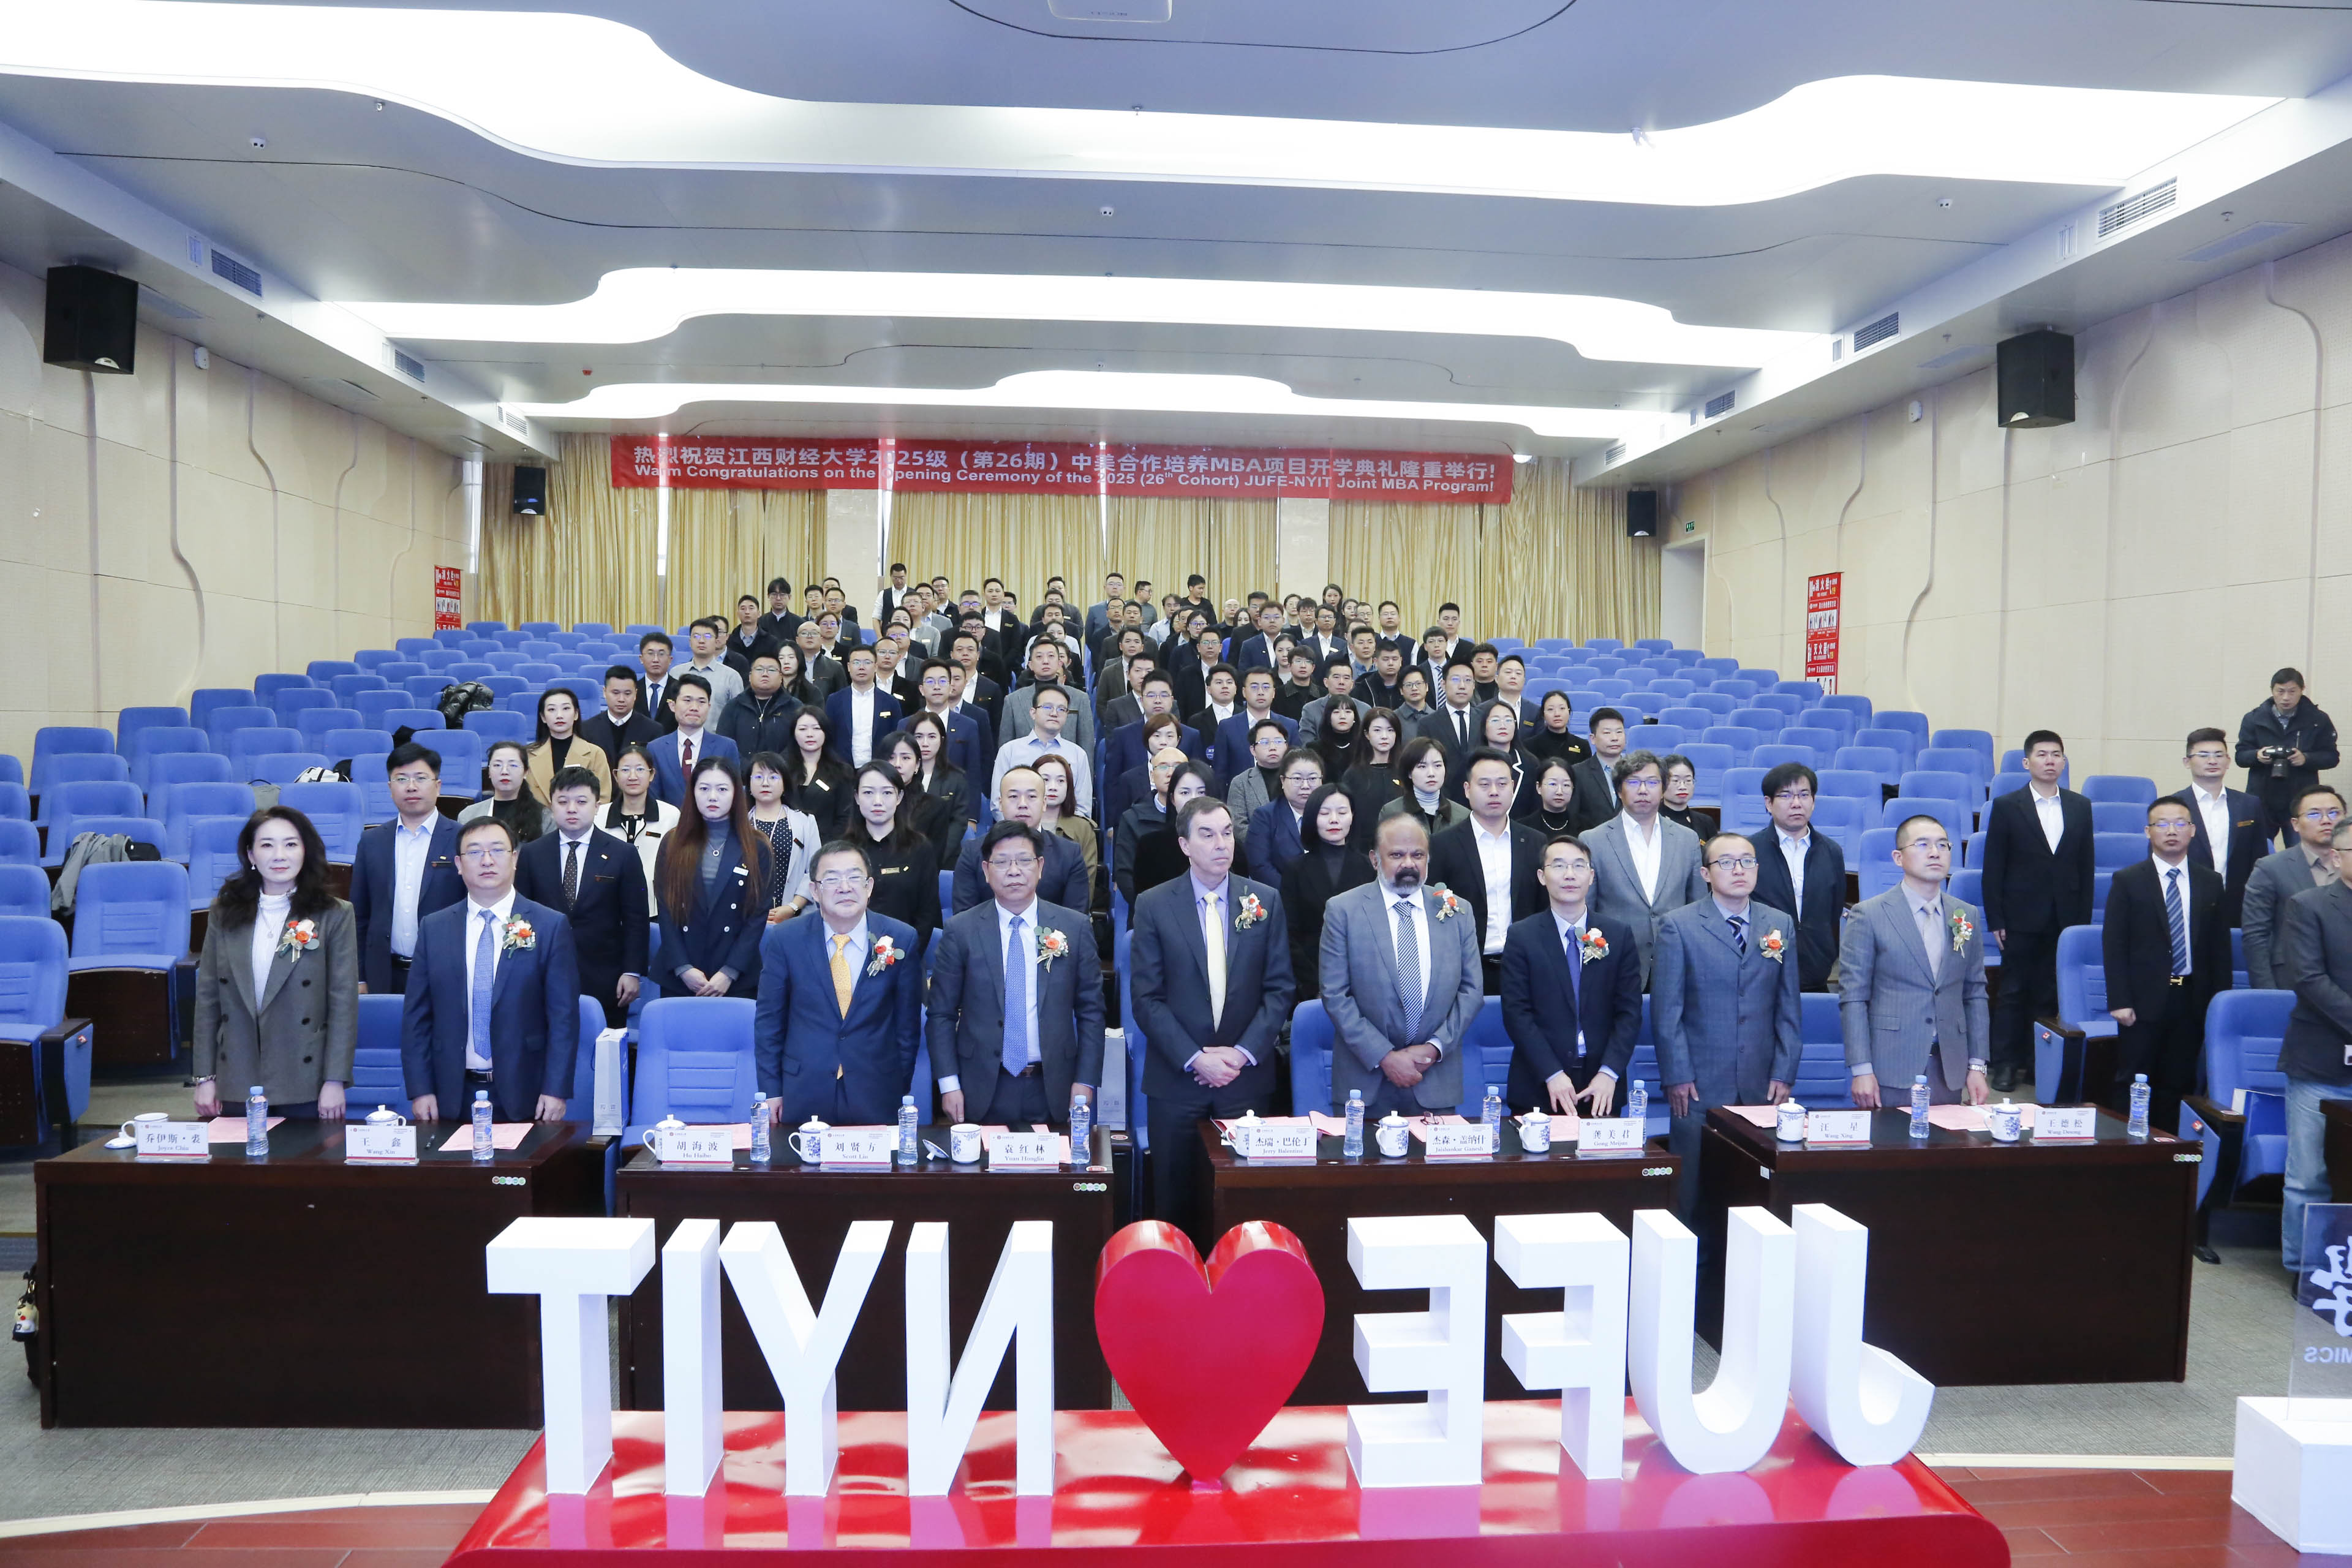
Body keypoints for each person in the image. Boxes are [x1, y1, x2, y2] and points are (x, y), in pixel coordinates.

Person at [1131, 796, 1296, 1243]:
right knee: (1175, 1205)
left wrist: (1240, 1054)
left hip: (1244, 1080)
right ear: (1185, 844)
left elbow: (1280, 989)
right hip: (1176, 1080)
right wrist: (1195, 1058)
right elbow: (1146, 999)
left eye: (1227, 833)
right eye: (1207, 835)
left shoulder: (1264, 900)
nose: (1222, 844)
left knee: (1242, 1208)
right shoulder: (1154, 905)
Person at [1653, 832, 1800, 1219]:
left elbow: (1788, 1006)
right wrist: (1678, 1075)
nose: (1739, 870)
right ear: (1706, 873)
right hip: (1698, 1084)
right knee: (1691, 1194)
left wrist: (1784, 1071)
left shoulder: (1779, 923)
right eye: (1726, 862)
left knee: (1754, 1191)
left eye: (1747, 861)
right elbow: (1667, 1012)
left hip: (1761, 1082)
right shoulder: (1678, 926)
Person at [398, 816, 580, 1123]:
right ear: (458, 864)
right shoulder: (434, 927)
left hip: (528, 1091)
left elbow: (564, 1018)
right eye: (474, 852)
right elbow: (416, 1017)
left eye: (497, 850)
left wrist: (556, 1089)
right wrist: (420, 1089)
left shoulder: (550, 926)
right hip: (449, 1093)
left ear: (515, 859)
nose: (487, 861)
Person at [926, 821, 1105, 1129]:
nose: (1013, 871)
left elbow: (1091, 1011)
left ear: (1040, 867)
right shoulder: (961, 930)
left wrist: (1086, 1080)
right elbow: (941, 1013)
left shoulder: (1073, 928)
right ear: (986, 871)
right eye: (1002, 862)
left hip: (1054, 1086)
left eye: (1024, 860)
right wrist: (949, 1084)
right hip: (981, 1087)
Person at [191, 805, 358, 1120]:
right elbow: (208, 999)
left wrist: (335, 1080)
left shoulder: (334, 914)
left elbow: (343, 1004)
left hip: (306, 1078)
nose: (279, 855)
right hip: (237, 1075)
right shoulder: (224, 913)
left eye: (291, 844)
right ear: (251, 855)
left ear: (305, 851)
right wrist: (204, 1077)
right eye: (267, 845)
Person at [1318, 813, 1484, 1115]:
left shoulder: (1458, 911)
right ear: (1375, 859)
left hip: (1435, 1079)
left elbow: (1471, 991)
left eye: (1417, 855)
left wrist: (1434, 1048)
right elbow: (1335, 995)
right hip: (1364, 1083)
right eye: (1396, 855)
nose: (1409, 864)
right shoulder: (1343, 910)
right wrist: (1385, 1057)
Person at [750, 839, 922, 1128]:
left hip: (877, 1089)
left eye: (854, 877)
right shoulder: (785, 940)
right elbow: (769, 1023)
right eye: (832, 879)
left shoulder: (901, 937)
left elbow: (907, 1028)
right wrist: (771, 1091)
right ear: (815, 891)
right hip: (803, 1088)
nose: (845, 887)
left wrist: (896, 1085)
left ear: (869, 886)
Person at [1839, 815, 1990, 1109]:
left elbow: (1975, 994)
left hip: (1949, 1067)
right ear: (1899, 858)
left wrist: (1977, 1065)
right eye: (1923, 845)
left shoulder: (1966, 915)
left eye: (1943, 845)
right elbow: (1854, 997)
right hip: (1890, 1064)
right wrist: (1861, 1069)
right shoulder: (1869, 914)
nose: (1935, 853)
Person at [2102, 798, 2229, 1131]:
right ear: (2148, 832)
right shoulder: (2128, 880)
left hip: (2192, 998)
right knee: (2133, 1079)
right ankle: (2127, 1148)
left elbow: (2219, 949)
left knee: (2179, 1081)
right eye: (2162, 824)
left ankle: (2168, 1147)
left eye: (2180, 823)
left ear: (2193, 830)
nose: (2172, 831)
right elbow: (2114, 945)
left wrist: (2217, 1003)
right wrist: (2120, 1000)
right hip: (2142, 1001)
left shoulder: (2210, 881)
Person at [1981, 729, 2095, 1093]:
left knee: (2049, 994)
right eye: (2042, 754)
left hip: (2065, 917)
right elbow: (1994, 867)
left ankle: (2035, 1063)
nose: (2050, 761)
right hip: (2019, 916)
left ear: (2064, 761)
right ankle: (2004, 1064)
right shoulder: (2007, 805)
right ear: (2027, 762)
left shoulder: (2080, 806)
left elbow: (2086, 868)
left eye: (2056, 755)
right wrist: (1996, 918)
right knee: (2013, 992)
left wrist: (2080, 925)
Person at [1500, 832, 1643, 1117]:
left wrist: (1609, 1073)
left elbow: (1629, 1013)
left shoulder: (1619, 935)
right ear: (1542, 877)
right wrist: (1552, 1074)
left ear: (1591, 877)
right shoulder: (1522, 936)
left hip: (1601, 1088)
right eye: (1558, 866)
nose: (1569, 874)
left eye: (1579, 866)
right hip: (1539, 1084)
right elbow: (1517, 1014)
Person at [515, 766, 648, 1028]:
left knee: (602, 1047)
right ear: (551, 805)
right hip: (543, 973)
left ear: (597, 806)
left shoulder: (623, 854)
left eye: (581, 802)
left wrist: (632, 972)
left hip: (606, 977)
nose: (572, 809)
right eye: (563, 802)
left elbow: (636, 919)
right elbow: (521, 916)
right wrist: (522, 966)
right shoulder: (532, 854)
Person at [2278, 818, 2352, 1272]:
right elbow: (2308, 979)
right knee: (2309, 1174)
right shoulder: (2309, 905)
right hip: (2321, 1060)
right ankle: (2304, 1269)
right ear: (2337, 857)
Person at [1582, 750, 1707, 983]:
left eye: (1652, 782)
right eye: (1633, 782)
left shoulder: (1687, 839)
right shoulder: (1593, 840)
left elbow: (1698, 905)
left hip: (1676, 961)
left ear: (1663, 789)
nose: (1643, 790)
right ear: (1619, 791)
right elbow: (1587, 908)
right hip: (1615, 962)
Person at [349, 741, 462, 995]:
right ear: (390, 788)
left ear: (438, 786)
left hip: (445, 975)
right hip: (383, 975)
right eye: (401, 779)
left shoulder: (461, 839)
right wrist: (359, 976)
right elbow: (359, 916)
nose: (411, 786)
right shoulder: (371, 841)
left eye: (421, 778)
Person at [653, 756, 772, 1000]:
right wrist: (683, 968)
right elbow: (665, 909)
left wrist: (730, 972)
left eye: (722, 789)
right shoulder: (673, 842)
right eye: (704, 789)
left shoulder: (757, 845)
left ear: (737, 794)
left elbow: (758, 915)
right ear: (693, 793)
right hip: (681, 974)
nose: (713, 797)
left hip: (736, 976)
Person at [1428, 747, 1545, 993]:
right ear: (1467, 790)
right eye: (1484, 784)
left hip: (1525, 967)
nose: (1494, 791)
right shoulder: (1442, 845)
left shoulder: (1535, 842)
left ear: (1513, 787)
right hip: (1466, 969)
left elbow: (1543, 908)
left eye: (1502, 784)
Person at [1749, 762, 1847, 992]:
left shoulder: (1831, 851)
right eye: (1786, 796)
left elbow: (1834, 911)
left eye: (1804, 795)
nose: (1796, 803)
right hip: (1762, 968)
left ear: (1813, 801)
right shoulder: (1750, 851)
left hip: (1817, 967)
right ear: (1768, 803)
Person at [951, 766, 1089, 914]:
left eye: (1032, 797)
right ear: (1000, 803)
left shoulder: (1069, 854)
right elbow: (964, 917)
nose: (1023, 804)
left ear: (1044, 803)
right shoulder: (972, 852)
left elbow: (1076, 919)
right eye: (1013, 797)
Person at [2171, 726, 2270, 927]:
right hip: (2186, 904)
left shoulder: (2250, 805)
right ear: (2187, 762)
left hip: (2238, 905)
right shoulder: (2173, 806)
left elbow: (2259, 859)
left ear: (2228, 761)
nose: (2212, 761)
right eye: (2203, 755)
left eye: (2219, 755)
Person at [2244, 786, 2343, 987]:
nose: (2326, 820)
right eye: (2314, 814)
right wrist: (2267, 992)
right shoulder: (2271, 868)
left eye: (2334, 813)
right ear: (2295, 824)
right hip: (2293, 981)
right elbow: (2256, 937)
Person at [1283, 782, 1373, 1001]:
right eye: (1325, 813)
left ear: (1352, 817)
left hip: (1363, 983)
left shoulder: (1368, 868)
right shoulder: (1295, 869)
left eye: (1342, 812)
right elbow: (1288, 934)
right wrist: (1314, 984)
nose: (1334, 819)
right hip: (1310, 984)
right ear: (1312, 818)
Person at [843, 761, 942, 948]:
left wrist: (908, 954)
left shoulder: (920, 848)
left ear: (899, 797)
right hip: (851, 951)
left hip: (906, 951)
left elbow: (928, 912)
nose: (877, 801)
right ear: (857, 797)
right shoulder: (843, 850)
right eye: (868, 793)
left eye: (887, 793)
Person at [2237, 668, 2339, 845]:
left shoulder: (2318, 720)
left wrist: (2306, 759)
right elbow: (2240, 756)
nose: (2286, 697)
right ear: (2272, 690)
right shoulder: (2254, 719)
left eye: (2292, 692)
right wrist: (2257, 756)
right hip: (2262, 797)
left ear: (2302, 690)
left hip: (2300, 799)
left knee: (2301, 852)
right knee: (2258, 851)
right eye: (2280, 691)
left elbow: (2332, 757)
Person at [992, 682, 1094, 820]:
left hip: (1065, 831)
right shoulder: (1009, 751)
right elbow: (998, 803)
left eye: (1061, 709)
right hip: (1017, 829)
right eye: (1047, 707)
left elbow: (1083, 808)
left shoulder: (1078, 755)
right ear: (1033, 713)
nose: (1054, 713)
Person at [601, 743, 678, 918]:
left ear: (652, 774)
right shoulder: (599, 816)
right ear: (615, 775)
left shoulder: (670, 815)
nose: (633, 776)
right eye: (625, 770)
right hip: (608, 907)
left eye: (640, 769)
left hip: (656, 908)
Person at [1130, 760, 1222, 905]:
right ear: (1172, 798)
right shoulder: (1150, 847)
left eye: (1202, 792)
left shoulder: (1230, 847)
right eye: (1185, 792)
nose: (1193, 799)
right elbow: (1145, 905)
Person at [743, 751, 821, 922]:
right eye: (758, 777)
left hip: (794, 917)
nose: (765, 783)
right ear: (748, 784)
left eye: (773, 777)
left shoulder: (805, 822)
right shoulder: (738, 823)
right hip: (745, 916)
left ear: (785, 783)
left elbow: (815, 870)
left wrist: (793, 907)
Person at [647, 674, 741, 808]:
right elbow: (653, 796)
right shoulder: (656, 748)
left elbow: (734, 793)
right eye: (687, 700)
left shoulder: (726, 747)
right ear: (672, 705)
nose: (694, 707)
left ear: (709, 707)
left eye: (701, 702)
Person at [897, 713, 972, 864]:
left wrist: (933, 859)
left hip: (944, 858)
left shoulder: (956, 779)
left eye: (932, 737)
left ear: (942, 740)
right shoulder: (898, 776)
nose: (925, 744)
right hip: (901, 855)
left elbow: (958, 823)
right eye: (918, 737)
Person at [1212, 667, 1295, 794]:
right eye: (1254, 687)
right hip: (1240, 797)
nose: (1261, 692)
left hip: (1281, 796)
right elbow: (1220, 774)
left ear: (1274, 693)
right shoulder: (1227, 727)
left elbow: (1295, 766)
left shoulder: (1290, 726)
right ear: (1244, 692)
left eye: (1266, 687)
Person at [1247, 747, 1325, 881]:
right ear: (1283, 781)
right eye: (1297, 778)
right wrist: (1290, 890)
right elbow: (1260, 867)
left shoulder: (1332, 814)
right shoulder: (1265, 817)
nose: (1305, 786)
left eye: (1312, 778)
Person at [458, 739, 554, 846]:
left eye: (513, 765)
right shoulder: (468, 815)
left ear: (526, 772)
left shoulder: (545, 817)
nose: (504, 771)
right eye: (497, 765)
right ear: (489, 772)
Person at [823, 644, 905, 767]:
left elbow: (897, 738)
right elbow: (828, 737)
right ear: (849, 667)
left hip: (880, 769)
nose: (861, 667)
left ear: (876, 666)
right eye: (856, 663)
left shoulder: (890, 702)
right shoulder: (834, 700)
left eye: (867, 662)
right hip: (842, 770)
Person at [1378, 734, 1468, 842]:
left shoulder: (1462, 815)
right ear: (1409, 773)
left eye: (1438, 766)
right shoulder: (1392, 812)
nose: (1431, 773)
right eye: (1422, 766)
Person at [1034, 751, 1099, 892]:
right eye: (1045, 780)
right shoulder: (1019, 825)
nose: (1053, 787)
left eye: (1061, 781)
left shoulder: (1083, 828)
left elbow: (1086, 885)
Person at [1225, 718, 1291, 858]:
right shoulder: (1240, 783)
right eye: (1265, 742)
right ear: (1253, 750)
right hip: (1257, 855)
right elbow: (1238, 826)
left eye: (1278, 741)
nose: (1272, 747)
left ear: (1287, 746)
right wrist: (1269, 845)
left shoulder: (1299, 778)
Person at [716, 652, 801, 759]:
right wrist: (746, 767)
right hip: (738, 768)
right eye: (759, 669)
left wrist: (775, 766)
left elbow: (798, 743)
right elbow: (723, 743)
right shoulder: (733, 706)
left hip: (782, 768)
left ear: (781, 677)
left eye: (771, 670)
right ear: (750, 676)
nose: (765, 674)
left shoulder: (795, 707)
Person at [784, 707, 853, 838]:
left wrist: (828, 847)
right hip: (787, 842)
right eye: (803, 729)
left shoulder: (842, 771)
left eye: (816, 728)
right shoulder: (782, 769)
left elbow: (845, 817)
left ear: (826, 732)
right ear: (794, 733)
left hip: (828, 844)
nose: (810, 734)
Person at [582, 665, 662, 769]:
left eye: (627, 694)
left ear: (636, 694)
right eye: (615, 693)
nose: (621, 699)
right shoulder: (586, 729)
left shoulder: (653, 730)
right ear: (604, 692)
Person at [1417, 661, 1482, 764]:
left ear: (1474, 685)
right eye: (1456, 680)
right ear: (1443, 684)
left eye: (1468, 680)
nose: (1462, 686)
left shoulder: (1484, 718)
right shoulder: (1427, 723)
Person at [1572, 708, 1629, 821]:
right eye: (1607, 733)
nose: (1615, 738)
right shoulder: (1577, 773)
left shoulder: (1636, 772)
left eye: (1619, 732)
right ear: (1593, 739)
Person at [680, 617, 747, 713]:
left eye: (708, 636)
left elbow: (739, 712)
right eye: (696, 636)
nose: (701, 641)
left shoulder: (731, 677)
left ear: (716, 641)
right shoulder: (676, 673)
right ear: (690, 642)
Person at [1298, 658, 1370, 747]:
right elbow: (1307, 745)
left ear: (1352, 684)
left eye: (1346, 678)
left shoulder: (1364, 709)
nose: (1341, 682)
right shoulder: (1311, 709)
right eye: (1336, 677)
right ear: (1326, 682)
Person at [1523, 755, 1597, 839]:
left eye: (1566, 785)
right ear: (1539, 787)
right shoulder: (1524, 828)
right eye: (1553, 784)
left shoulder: (1587, 828)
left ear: (1573, 788)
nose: (1559, 792)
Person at [1311, 694, 1371, 779]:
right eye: (1336, 712)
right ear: (1328, 717)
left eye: (1348, 712)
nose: (1342, 717)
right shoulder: (1315, 749)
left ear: (1355, 717)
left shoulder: (1366, 746)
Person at [724, 594, 778, 676]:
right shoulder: (729, 641)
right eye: (743, 609)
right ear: (738, 614)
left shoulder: (771, 642)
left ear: (759, 613)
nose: (747, 612)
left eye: (751, 608)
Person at [638, 631, 682, 731]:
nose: (656, 660)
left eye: (661, 654)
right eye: (650, 654)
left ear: (670, 660)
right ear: (641, 659)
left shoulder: (681, 689)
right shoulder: (633, 689)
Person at [1657, 754, 1702, 834]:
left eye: (1688, 780)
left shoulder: (1705, 822)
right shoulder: (1653, 821)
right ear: (1662, 783)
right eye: (1675, 781)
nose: (1682, 787)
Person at [761, 575, 802, 646]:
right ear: (768, 596)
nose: (778, 598)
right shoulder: (760, 623)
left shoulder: (799, 623)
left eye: (782, 595)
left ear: (789, 597)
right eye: (774, 594)